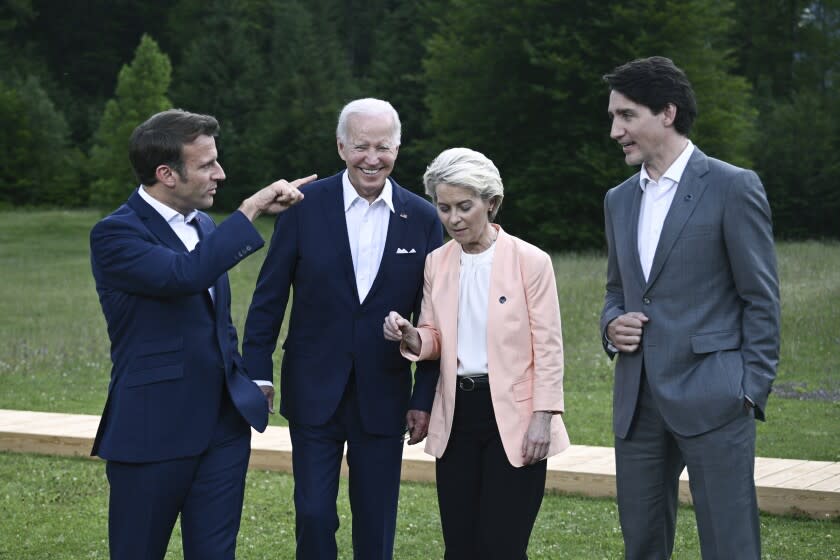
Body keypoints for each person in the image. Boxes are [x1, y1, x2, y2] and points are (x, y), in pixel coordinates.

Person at [89, 108, 316, 559]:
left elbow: (214, 321)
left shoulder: (204, 224)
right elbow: (183, 276)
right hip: (152, 429)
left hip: (223, 430)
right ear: (166, 174)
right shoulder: (116, 234)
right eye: (207, 164)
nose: (220, 173)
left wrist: (246, 378)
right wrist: (250, 209)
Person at [241, 98, 443, 559]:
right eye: (361, 146)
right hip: (313, 389)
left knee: (376, 522)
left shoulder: (424, 218)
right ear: (340, 147)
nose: (372, 158)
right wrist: (257, 373)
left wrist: (423, 397)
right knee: (313, 514)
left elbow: (436, 318)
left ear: (398, 147)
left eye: (383, 147)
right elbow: (269, 299)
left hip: (384, 392)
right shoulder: (303, 208)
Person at [600, 56, 781, 560]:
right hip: (637, 402)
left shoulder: (732, 186)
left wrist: (749, 389)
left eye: (626, 116)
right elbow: (617, 290)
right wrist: (612, 324)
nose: (615, 130)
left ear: (667, 113)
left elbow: (761, 298)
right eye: (613, 117)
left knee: (729, 544)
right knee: (642, 542)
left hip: (716, 395)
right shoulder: (618, 200)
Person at [384, 147, 570, 559]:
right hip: (457, 416)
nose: (453, 218)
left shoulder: (531, 262)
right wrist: (413, 336)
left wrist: (543, 418)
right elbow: (434, 336)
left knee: (501, 546)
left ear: (492, 202)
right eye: (443, 207)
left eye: (464, 206)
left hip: (518, 419)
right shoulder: (437, 262)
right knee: (460, 547)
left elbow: (550, 349)